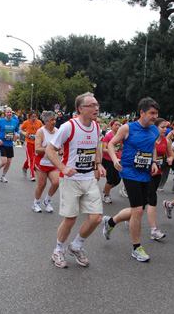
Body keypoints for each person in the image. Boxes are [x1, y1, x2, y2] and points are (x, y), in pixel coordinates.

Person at [46, 92, 106, 268]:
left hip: (88, 179)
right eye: (92, 106)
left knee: (95, 218)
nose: (96, 108)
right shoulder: (69, 126)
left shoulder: (96, 126)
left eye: (97, 105)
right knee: (70, 219)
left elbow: (96, 147)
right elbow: (50, 149)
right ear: (81, 109)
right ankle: (58, 250)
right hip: (70, 179)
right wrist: (63, 168)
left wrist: (98, 164)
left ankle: (76, 246)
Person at [101, 98, 160, 262]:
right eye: (152, 113)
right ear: (142, 113)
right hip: (129, 171)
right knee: (138, 211)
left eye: (156, 113)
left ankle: (110, 222)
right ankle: (136, 248)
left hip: (145, 172)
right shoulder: (128, 128)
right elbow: (112, 144)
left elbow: (153, 146)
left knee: (139, 208)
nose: (155, 116)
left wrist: (154, 162)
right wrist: (114, 159)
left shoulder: (154, 130)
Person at [33, 111, 61, 213]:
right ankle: (36, 202)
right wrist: (50, 150)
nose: (54, 122)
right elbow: (37, 149)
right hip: (42, 162)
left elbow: (60, 146)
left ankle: (47, 200)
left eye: (55, 119)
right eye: (52, 120)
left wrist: (61, 149)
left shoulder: (58, 131)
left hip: (53, 162)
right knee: (42, 184)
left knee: (56, 182)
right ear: (46, 121)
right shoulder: (41, 132)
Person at [0, 107, 20, 183]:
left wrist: (18, 134)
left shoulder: (14, 121)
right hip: (2, 143)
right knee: (4, 161)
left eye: (10, 112)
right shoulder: (1, 121)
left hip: (10, 143)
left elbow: (17, 130)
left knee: (9, 161)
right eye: (8, 112)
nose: (9, 114)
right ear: (5, 113)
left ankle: (3, 176)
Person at [158, 119, 174, 193]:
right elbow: (166, 144)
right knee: (165, 172)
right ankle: (160, 186)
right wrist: (167, 154)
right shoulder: (171, 134)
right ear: (173, 126)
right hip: (168, 155)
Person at [101, 120, 122, 203]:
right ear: (111, 126)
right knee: (110, 179)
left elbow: (121, 147)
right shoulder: (108, 136)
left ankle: (106, 189)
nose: (117, 126)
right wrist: (112, 150)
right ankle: (106, 195)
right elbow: (103, 149)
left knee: (117, 180)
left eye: (119, 125)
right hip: (108, 160)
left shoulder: (120, 136)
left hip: (117, 160)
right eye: (116, 125)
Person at [20, 110, 43, 182]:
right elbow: (21, 129)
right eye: (33, 117)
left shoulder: (39, 122)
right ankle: (32, 175)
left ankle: (24, 167)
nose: (34, 118)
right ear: (29, 116)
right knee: (31, 158)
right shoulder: (26, 122)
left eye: (35, 117)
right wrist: (24, 133)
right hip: (29, 142)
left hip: (36, 143)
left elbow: (43, 130)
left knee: (33, 157)